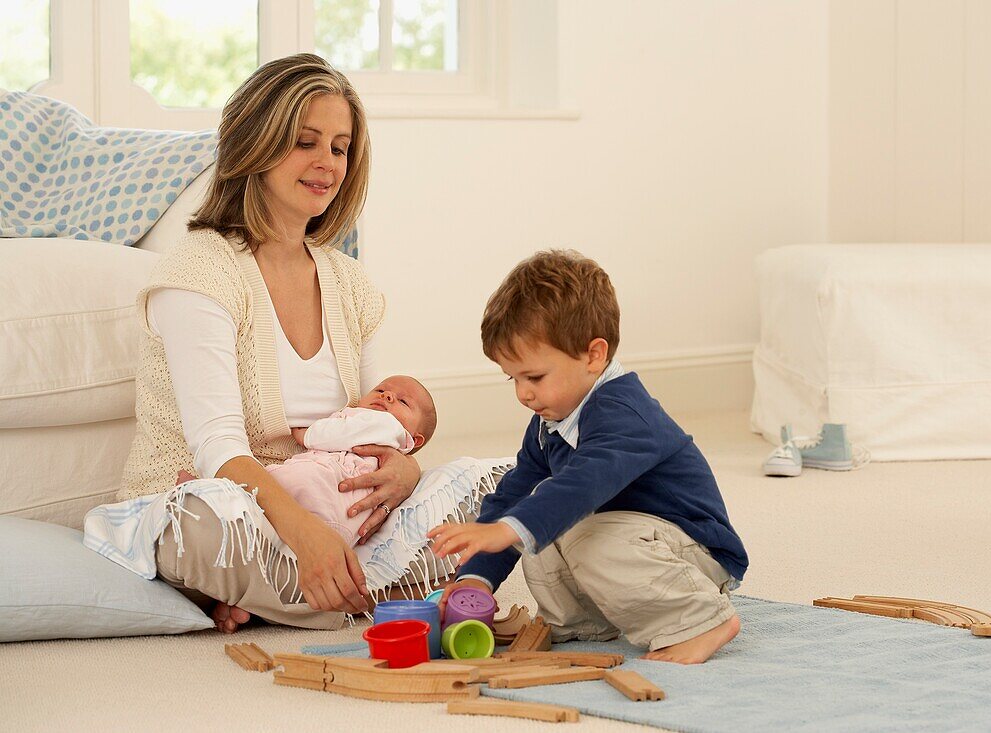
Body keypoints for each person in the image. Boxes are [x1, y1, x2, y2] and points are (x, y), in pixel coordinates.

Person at [118, 54, 424, 633]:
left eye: (339, 147)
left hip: (327, 508)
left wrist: (404, 472)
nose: (326, 164)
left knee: (486, 491)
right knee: (203, 523)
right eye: (305, 142)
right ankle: (348, 587)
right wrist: (303, 532)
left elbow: (378, 423)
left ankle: (290, 593)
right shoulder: (199, 273)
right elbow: (217, 450)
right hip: (222, 505)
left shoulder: (351, 285)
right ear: (255, 146)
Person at [428, 250, 749, 664]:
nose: (523, 394)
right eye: (514, 378)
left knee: (562, 524)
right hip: (628, 543)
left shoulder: (625, 412)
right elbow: (514, 496)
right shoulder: (551, 422)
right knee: (538, 526)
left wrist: (509, 528)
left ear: (594, 355)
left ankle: (699, 619)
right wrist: (475, 577)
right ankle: (585, 620)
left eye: (535, 377)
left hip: (693, 551)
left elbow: (582, 485)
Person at [275, 375, 437, 546]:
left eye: (403, 401)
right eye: (380, 390)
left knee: (290, 482)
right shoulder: (367, 420)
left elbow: (343, 433)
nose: (387, 395)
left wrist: (307, 435)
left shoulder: (388, 425)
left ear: (414, 439)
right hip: (336, 502)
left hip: (330, 487)